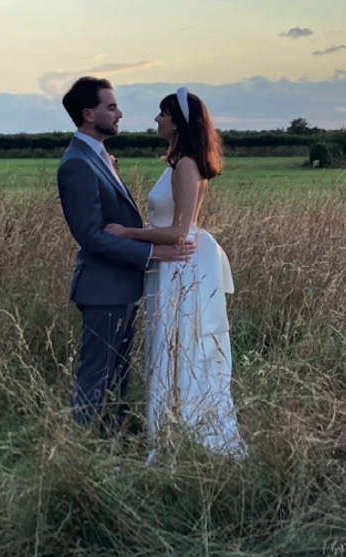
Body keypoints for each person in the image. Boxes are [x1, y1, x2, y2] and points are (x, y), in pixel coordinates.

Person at [105, 88, 243, 461]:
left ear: (178, 122)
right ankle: (170, 427)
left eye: (162, 113)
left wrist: (126, 233)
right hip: (174, 261)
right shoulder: (179, 162)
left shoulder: (186, 165)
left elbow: (179, 232)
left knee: (180, 343)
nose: (156, 119)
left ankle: (181, 428)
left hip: (182, 262)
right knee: (172, 342)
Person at [57, 76, 194, 432]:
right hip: (103, 289)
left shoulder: (96, 157)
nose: (120, 113)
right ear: (89, 115)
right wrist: (154, 252)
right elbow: (92, 237)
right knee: (95, 379)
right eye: (111, 107)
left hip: (119, 287)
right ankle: (80, 451)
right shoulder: (77, 164)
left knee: (118, 380)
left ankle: (110, 446)